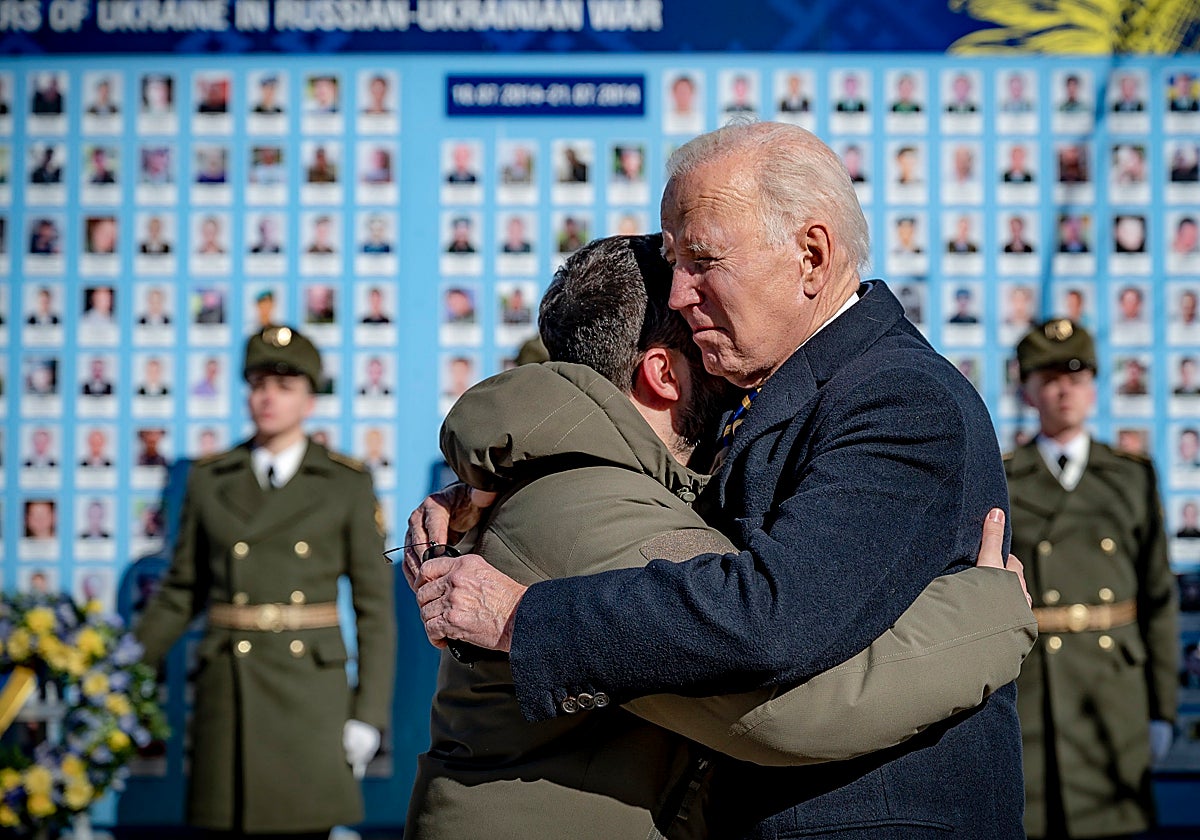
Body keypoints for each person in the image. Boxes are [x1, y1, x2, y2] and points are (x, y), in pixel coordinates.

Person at [409, 121, 1026, 839]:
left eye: (702, 260)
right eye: (672, 262)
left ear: (811, 256)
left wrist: (525, 617)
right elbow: (651, 485)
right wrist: (491, 490)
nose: (676, 294)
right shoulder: (776, 384)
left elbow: (773, 618)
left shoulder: (894, 396)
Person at [134, 325, 396, 838]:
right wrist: (120, 671)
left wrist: (368, 713)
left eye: (285, 384)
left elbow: (374, 608)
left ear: (309, 398)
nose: (268, 396)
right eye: (258, 383)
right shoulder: (212, 480)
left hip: (309, 694)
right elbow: (181, 591)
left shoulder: (344, 482)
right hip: (229, 686)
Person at [1007, 319, 1178, 839]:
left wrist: (1162, 711)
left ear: (1095, 387)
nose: (1065, 390)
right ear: (1027, 391)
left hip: (1113, 691)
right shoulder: (1005, 477)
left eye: (1077, 378)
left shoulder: (1130, 475)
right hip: (1036, 691)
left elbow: (1158, 598)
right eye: (1050, 378)